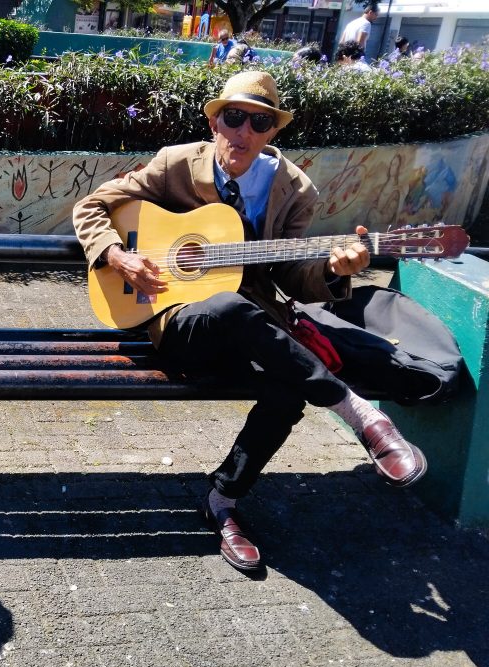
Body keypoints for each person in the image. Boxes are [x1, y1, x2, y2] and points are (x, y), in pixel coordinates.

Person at [72, 71, 427, 574]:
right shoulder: (176, 164)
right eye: (233, 117)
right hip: (179, 322)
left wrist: (333, 268)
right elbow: (92, 205)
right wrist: (116, 255)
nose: (243, 132)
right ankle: (358, 412)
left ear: (271, 132)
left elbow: (295, 277)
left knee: (286, 387)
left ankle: (224, 500)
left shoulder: (294, 189)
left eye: (258, 122)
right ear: (215, 120)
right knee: (229, 308)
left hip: (256, 331)